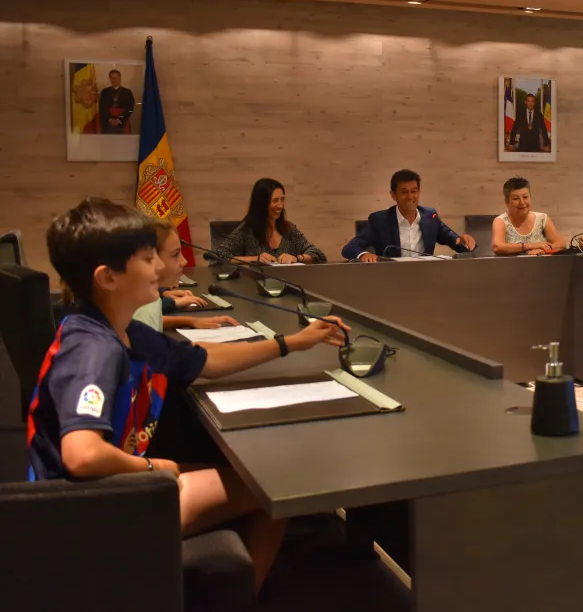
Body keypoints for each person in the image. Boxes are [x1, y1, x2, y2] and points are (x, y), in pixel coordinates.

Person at [29, 198, 349, 592]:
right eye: (147, 259)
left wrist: (290, 343)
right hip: (88, 513)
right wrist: (156, 469)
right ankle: (243, 596)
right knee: (276, 486)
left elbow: (206, 361)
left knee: (253, 479)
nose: (160, 268)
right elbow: (82, 454)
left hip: (105, 492)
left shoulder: (120, 329)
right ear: (107, 277)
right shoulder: (92, 349)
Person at [340, 169, 477, 262]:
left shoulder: (430, 217)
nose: (410, 196)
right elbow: (349, 248)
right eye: (404, 192)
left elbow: (456, 242)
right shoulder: (380, 220)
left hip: (426, 278)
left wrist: (465, 241)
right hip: (390, 280)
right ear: (394, 195)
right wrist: (364, 254)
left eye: (414, 191)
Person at [133, 219, 241, 331]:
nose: (184, 261)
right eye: (175, 254)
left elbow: (152, 322)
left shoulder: (150, 298)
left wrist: (191, 321)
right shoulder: (139, 305)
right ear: (150, 258)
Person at [216, 178, 326, 264]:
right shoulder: (246, 230)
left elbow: (318, 255)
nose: (280, 206)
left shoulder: (289, 230)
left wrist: (297, 258)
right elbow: (218, 256)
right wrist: (255, 259)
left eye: (282, 200)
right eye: (275, 201)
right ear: (262, 203)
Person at [492, 177, 566, 255]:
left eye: (525, 197)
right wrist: (530, 246)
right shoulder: (500, 221)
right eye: (516, 198)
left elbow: (561, 243)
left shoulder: (542, 219)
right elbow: (497, 247)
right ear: (507, 202)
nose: (522, 202)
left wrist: (544, 250)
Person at [98, 69, 135, 134]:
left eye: (116, 77)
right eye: (112, 78)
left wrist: (119, 120)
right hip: (107, 123)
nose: (114, 80)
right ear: (109, 79)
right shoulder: (105, 91)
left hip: (122, 122)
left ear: (120, 78)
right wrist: (110, 119)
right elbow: (102, 107)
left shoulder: (127, 92)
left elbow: (130, 108)